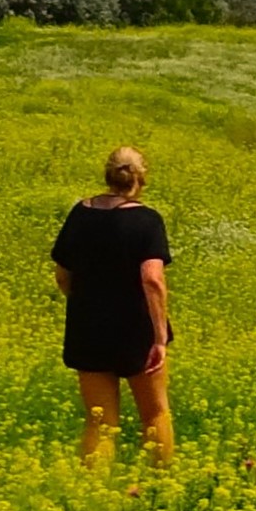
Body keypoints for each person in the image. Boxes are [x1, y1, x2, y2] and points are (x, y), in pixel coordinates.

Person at [52, 146, 176, 467]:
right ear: (141, 178)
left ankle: (91, 496)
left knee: (100, 423)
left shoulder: (80, 213)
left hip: (88, 327)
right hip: (136, 329)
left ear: (108, 175)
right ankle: (160, 486)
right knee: (155, 413)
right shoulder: (147, 220)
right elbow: (152, 279)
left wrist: (84, 305)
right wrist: (159, 338)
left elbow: (63, 275)